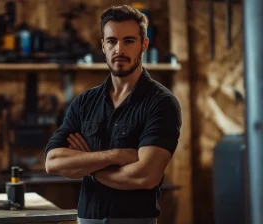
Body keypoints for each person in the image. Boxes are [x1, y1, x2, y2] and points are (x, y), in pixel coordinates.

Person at [44, 5, 182, 224]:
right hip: (87, 219)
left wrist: (89, 168)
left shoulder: (161, 103)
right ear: (103, 46)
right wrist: (115, 156)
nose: (119, 49)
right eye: (112, 41)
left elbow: (145, 175)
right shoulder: (84, 103)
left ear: (143, 45)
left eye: (128, 41)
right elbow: (53, 162)